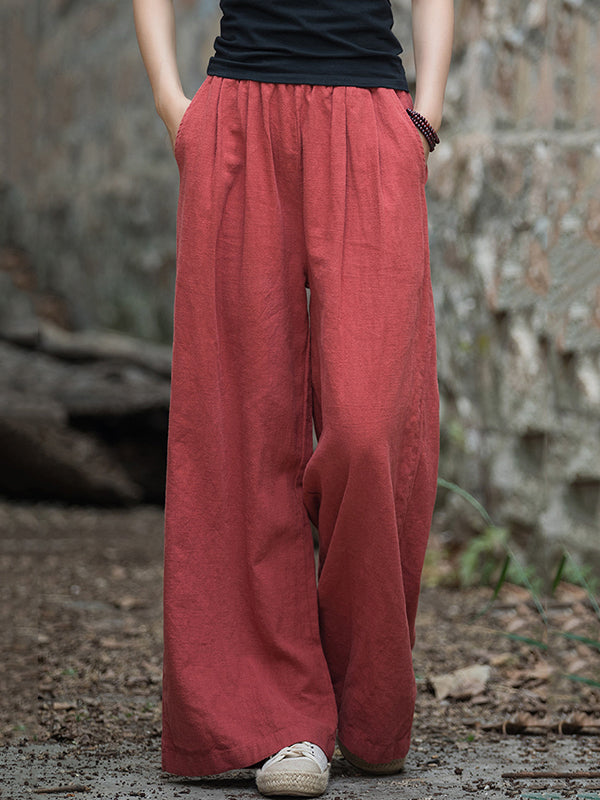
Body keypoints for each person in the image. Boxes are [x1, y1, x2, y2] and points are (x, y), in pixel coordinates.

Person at [133, 0, 453, 796]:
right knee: (239, 427)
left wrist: (429, 113)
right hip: (240, 114)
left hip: (370, 119)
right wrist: (174, 104)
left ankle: (369, 701)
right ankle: (277, 721)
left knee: (370, 428)